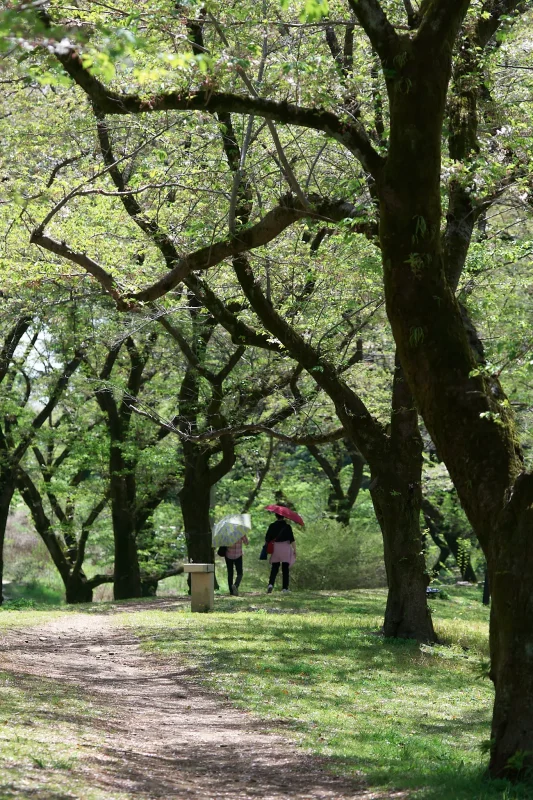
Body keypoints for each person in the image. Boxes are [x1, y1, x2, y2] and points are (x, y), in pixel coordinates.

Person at [265, 513, 296, 593]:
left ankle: (270, 584)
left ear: (276, 516)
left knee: (274, 567)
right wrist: (295, 550)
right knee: (285, 568)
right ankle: (285, 588)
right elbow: (292, 539)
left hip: (276, 548)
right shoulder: (287, 526)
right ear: (284, 517)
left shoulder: (272, 526)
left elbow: (267, 538)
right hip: (285, 548)